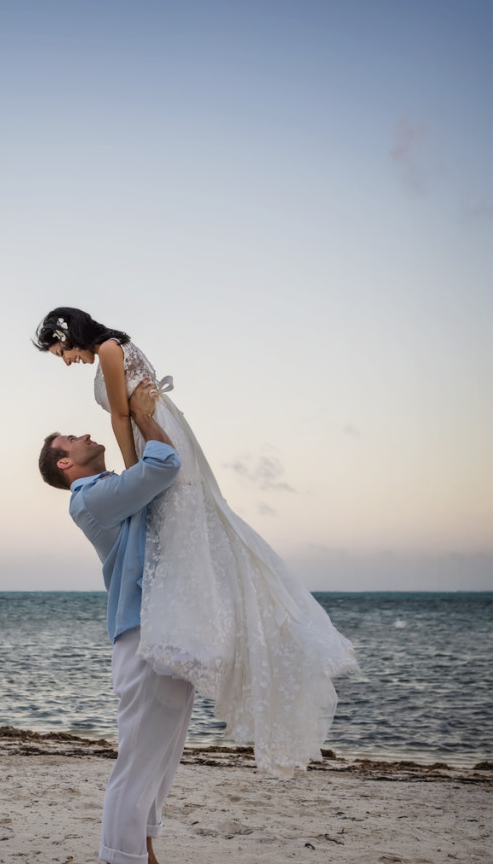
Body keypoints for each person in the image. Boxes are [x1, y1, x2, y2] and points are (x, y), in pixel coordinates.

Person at [34, 307, 358, 776]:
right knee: (180, 532)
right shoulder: (112, 353)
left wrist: (134, 466)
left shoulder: (107, 348)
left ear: (67, 335)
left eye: (59, 352)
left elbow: (123, 414)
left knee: (178, 525)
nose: (65, 361)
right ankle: (195, 629)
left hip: (156, 435)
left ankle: (193, 630)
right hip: (162, 434)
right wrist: (138, 469)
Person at [39, 379, 195, 864]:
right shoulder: (92, 498)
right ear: (65, 465)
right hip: (141, 636)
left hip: (163, 628)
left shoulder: (109, 484)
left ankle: (145, 860)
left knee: (162, 758)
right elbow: (163, 465)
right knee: (137, 762)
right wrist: (142, 413)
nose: (84, 434)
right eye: (71, 439)